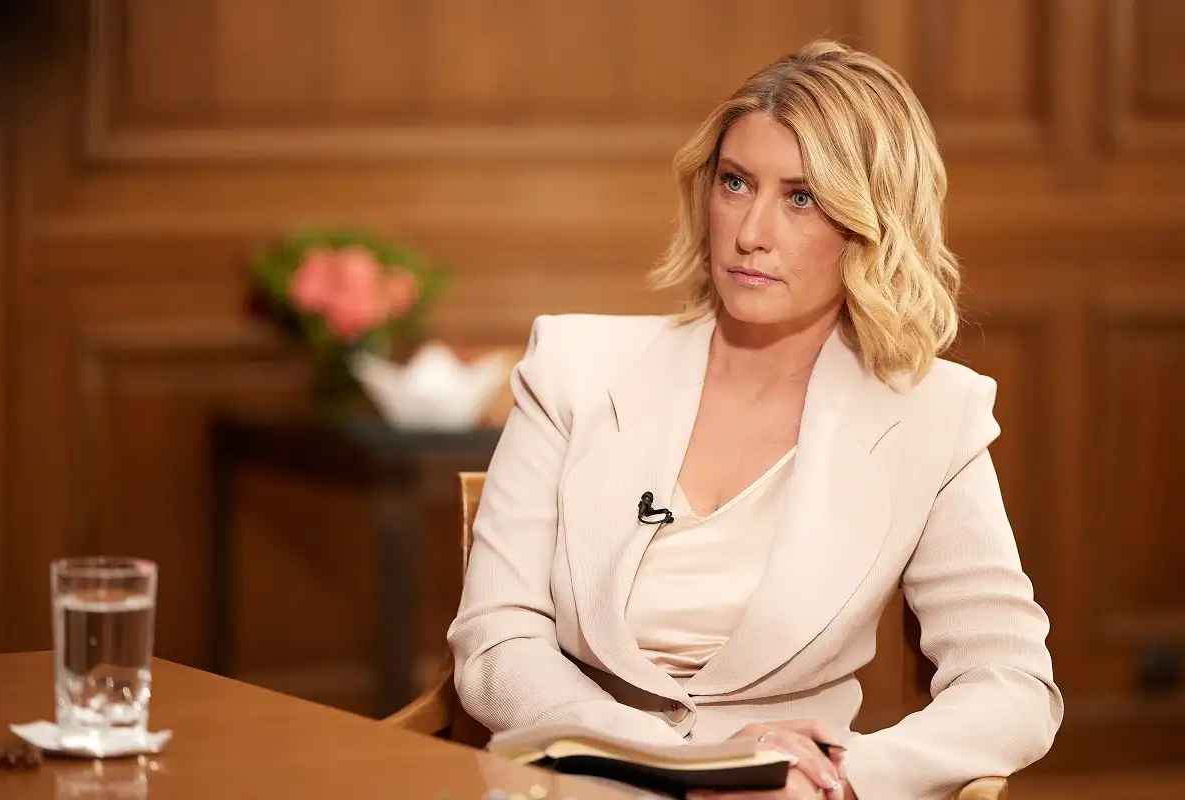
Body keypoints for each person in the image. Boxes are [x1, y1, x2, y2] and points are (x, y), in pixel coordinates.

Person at [447, 39, 1062, 800]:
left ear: (872, 223)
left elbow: (1012, 683)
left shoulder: (933, 416)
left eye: (800, 198)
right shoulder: (572, 368)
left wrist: (836, 776)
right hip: (585, 784)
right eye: (736, 183)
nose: (749, 232)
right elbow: (496, 643)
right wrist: (683, 763)